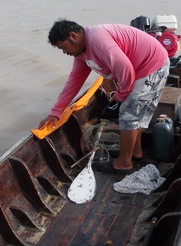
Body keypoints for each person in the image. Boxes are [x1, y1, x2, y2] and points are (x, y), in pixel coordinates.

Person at [38, 19, 169, 173]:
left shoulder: (98, 41)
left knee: (129, 115)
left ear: (73, 36)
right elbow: (74, 82)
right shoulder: (81, 53)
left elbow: (125, 70)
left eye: (63, 47)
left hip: (151, 66)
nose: (64, 52)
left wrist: (121, 95)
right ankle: (135, 151)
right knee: (134, 113)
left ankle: (124, 162)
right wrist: (56, 112)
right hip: (138, 69)